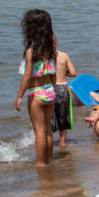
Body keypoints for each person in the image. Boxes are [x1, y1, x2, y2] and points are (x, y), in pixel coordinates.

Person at [14, 9, 60, 167]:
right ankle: (48, 159)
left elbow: (27, 76)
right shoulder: (51, 50)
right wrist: (54, 90)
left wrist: (20, 96)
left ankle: (40, 163)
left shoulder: (31, 52)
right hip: (49, 91)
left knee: (39, 130)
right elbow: (54, 73)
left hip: (37, 93)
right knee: (47, 129)